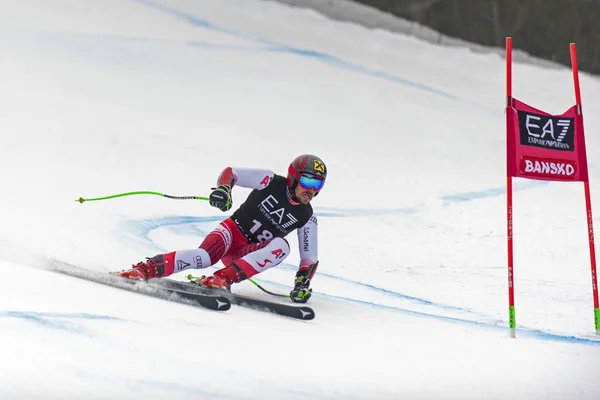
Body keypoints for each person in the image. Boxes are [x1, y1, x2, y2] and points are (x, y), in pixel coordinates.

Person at [118, 154, 327, 303]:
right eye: (307, 181)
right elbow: (232, 173)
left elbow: (309, 258)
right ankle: (144, 269)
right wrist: (224, 189)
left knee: (282, 246)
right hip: (231, 233)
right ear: (293, 177)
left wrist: (302, 283)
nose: (311, 190)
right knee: (203, 257)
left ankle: (222, 279)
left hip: (245, 256)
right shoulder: (270, 181)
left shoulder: (307, 217)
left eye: (317, 185)